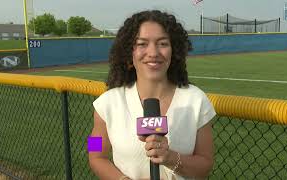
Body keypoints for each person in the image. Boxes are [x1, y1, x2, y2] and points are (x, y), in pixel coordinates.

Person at [89, 10, 216, 180]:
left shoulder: (196, 101)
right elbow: (95, 154)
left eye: (163, 43)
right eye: (142, 44)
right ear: (129, 52)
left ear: (174, 50)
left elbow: (206, 164)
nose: (153, 52)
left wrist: (170, 157)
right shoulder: (106, 104)